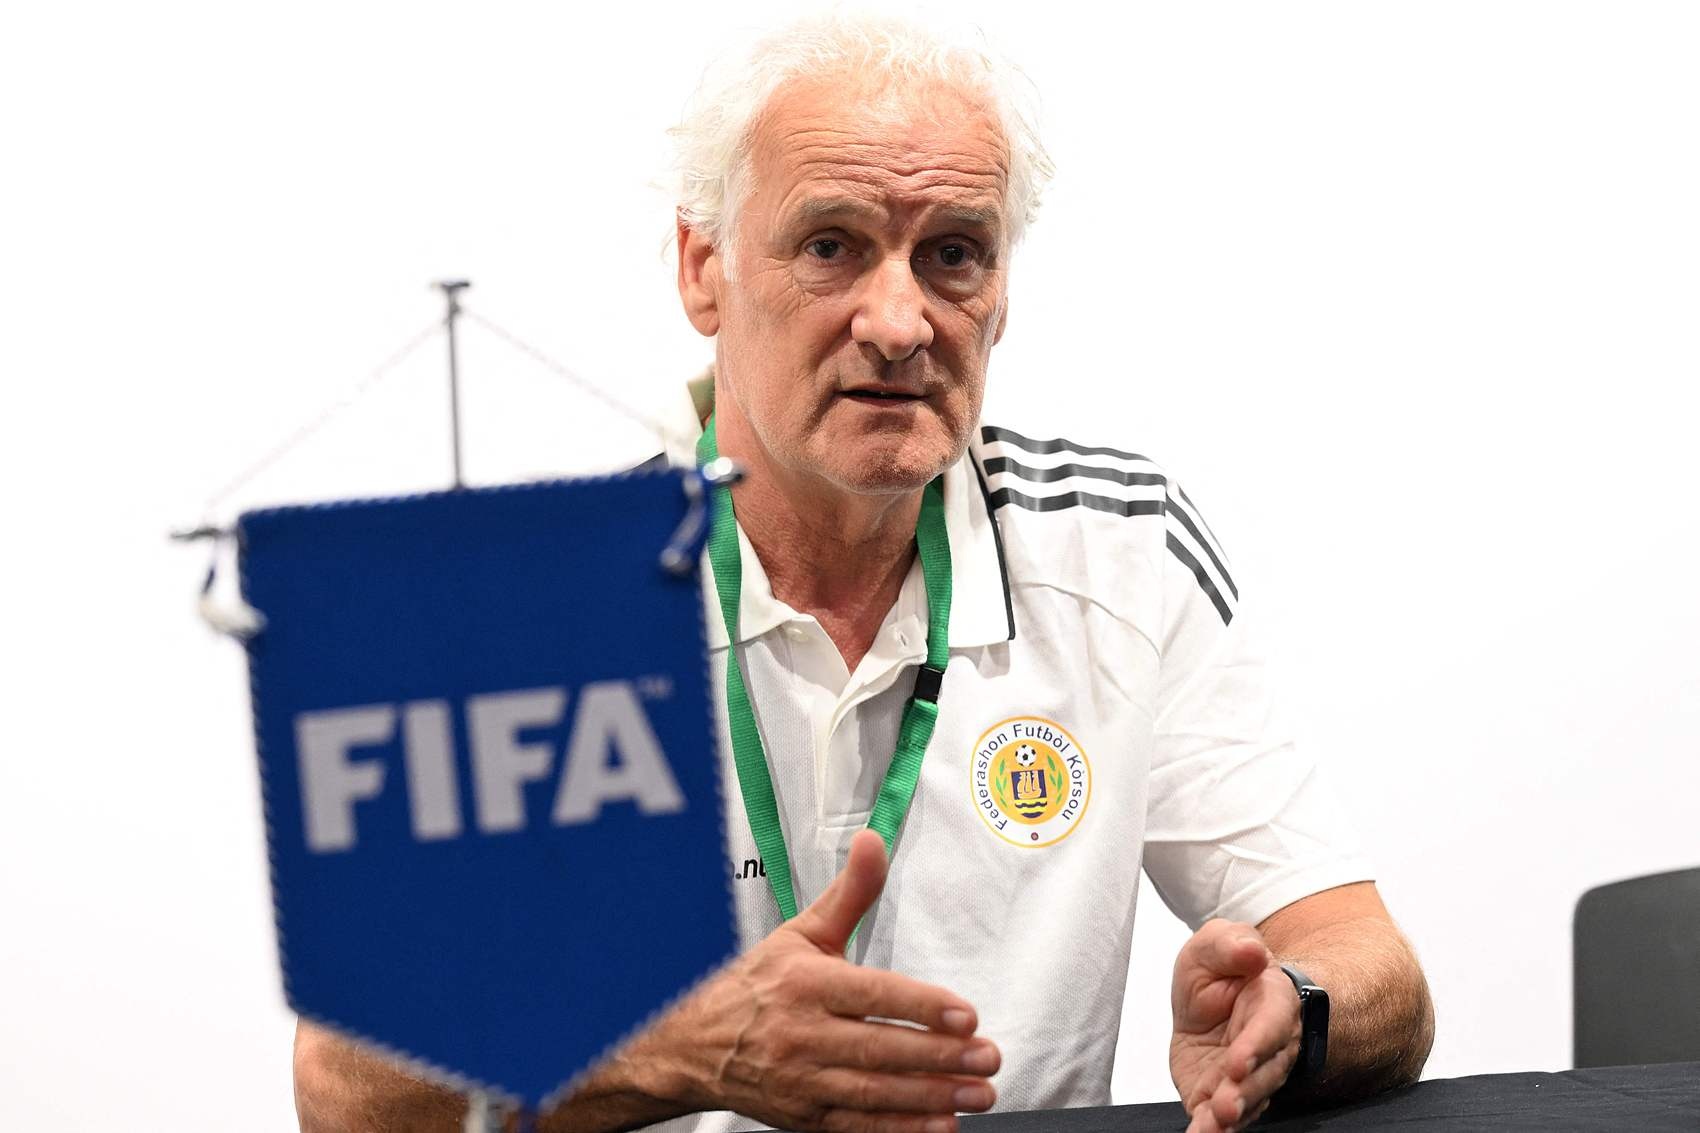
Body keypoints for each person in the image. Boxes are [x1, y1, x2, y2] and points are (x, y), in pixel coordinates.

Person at [294, 12, 1435, 1133]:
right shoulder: (537, 601)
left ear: (1002, 289)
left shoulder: (1121, 550)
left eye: (953, 254)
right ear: (702, 268)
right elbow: (347, 1085)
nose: (898, 323)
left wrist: (1292, 1014)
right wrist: (689, 1047)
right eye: (830, 245)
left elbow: (1366, 960)